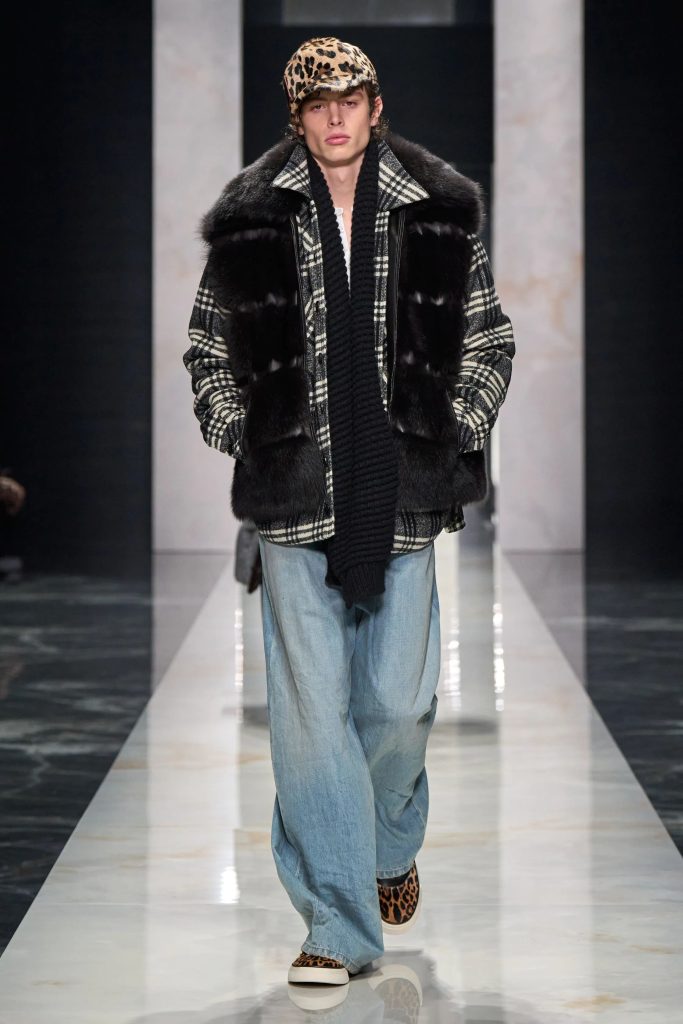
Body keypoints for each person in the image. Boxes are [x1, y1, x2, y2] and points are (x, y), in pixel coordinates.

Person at [183, 36, 515, 987]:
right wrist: (245, 431)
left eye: (349, 98)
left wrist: (452, 425)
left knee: (398, 704)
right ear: (296, 117)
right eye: (317, 101)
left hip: (402, 494)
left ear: (374, 106)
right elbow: (207, 347)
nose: (335, 115)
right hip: (292, 500)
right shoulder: (251, 219)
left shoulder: (437, 214)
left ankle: (385, 844)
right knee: (308, 721)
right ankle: (335, 922)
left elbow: (489, 337)